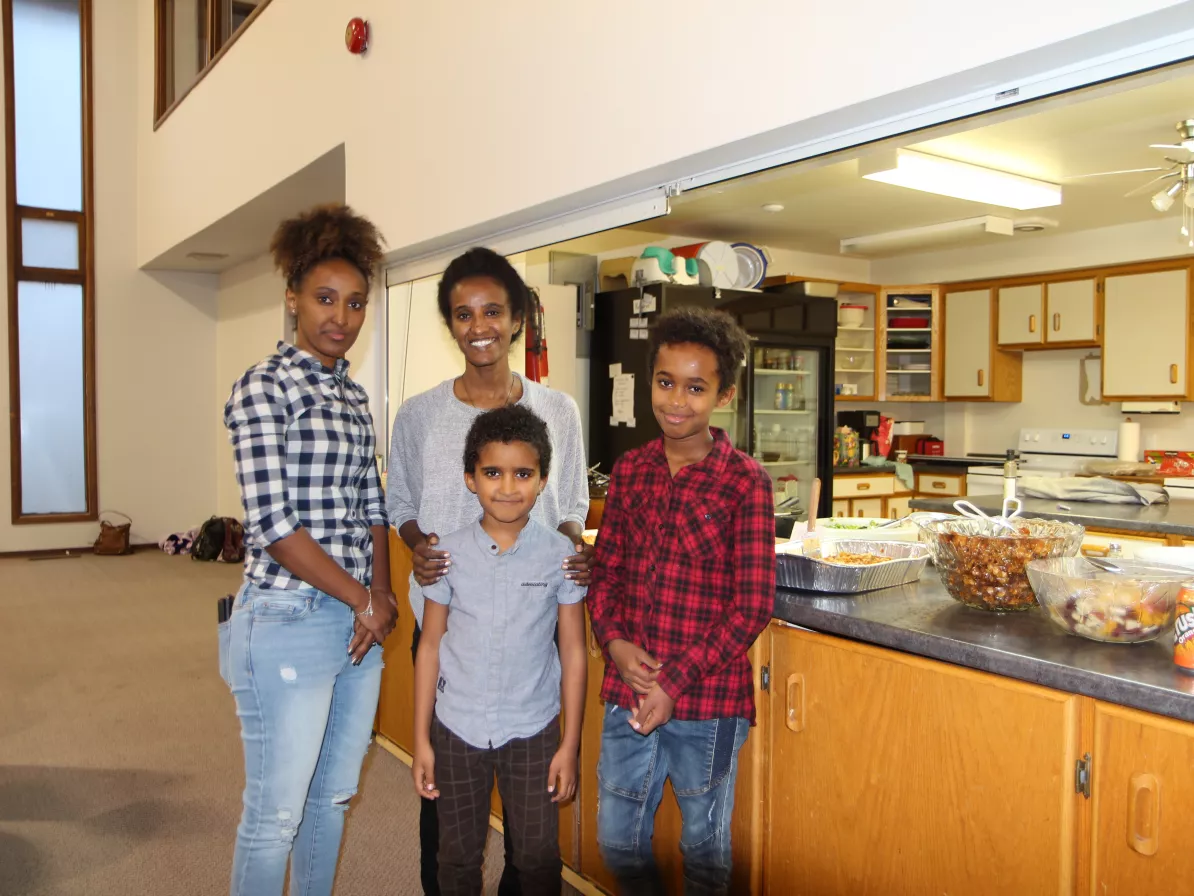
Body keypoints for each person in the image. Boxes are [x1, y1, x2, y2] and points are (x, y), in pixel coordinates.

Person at [386, 247, 593, 895]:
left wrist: (570, 550)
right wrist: (419, 543)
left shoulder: (558, 411)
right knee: (450, 819)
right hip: (451, 632)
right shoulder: (420, 416)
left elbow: (571, 509)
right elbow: (400, 506)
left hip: (533, 629)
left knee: (533, 837)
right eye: (462, 314)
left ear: (518, 320)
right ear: (450, 324)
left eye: (492, 311)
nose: (478, 326)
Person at [223, 204, 398, 896]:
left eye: (356, 303)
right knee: (275, 815)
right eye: (326, 298)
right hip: (288, 621)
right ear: (292, 297)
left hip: (360, 626)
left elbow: (373, 506)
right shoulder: (264, 389)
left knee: (331, 800)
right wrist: (363, 597)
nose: (342, 316)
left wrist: (379, 599)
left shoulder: (352, 396)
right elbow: (273, 523)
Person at [586, 306, 776, 896]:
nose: (677, 401)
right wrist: (613, 641)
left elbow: (752, 606)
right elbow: (606, 574)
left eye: (697, 388)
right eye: (666, 383)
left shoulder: (745, 481)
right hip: (627, 692)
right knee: (617, 839)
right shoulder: (631, 470)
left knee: (704, 849)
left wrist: (674, 682)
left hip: (708, 702)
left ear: (724, 395)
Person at [411, 406, 587, 896]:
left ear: (543, 480)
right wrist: (420, 739)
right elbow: (430, 647)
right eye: (492, 472)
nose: (508, 487)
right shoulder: (445, 554)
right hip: (457, 728)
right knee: (457, 858)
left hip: (532, 729)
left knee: (536, 857)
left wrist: (569, 745)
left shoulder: (562, 557)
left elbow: (573, 653)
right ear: (471, 479)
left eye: (523, 473)